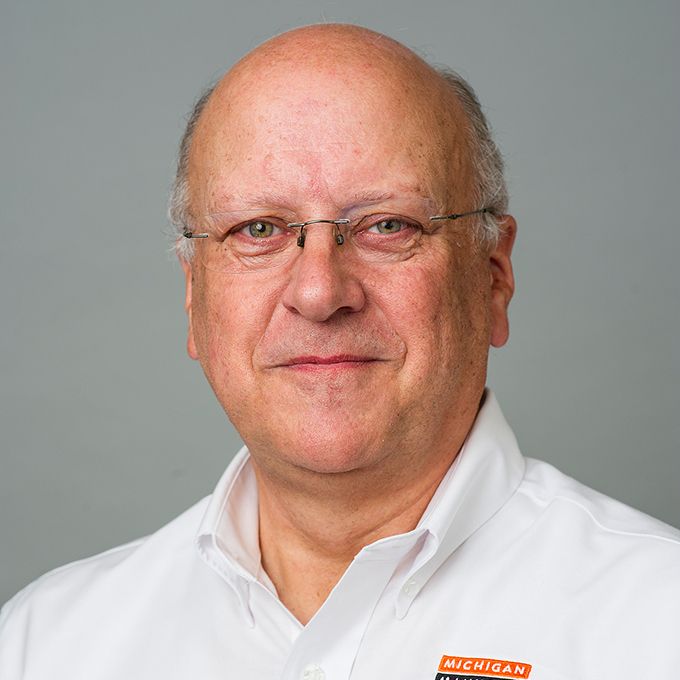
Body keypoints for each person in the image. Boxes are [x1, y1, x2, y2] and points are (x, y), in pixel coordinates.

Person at [1, 23, 678, 680]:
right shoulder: (46, 646)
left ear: (493, 277)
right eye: (258, 229)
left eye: (388, 225)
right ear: (193, 296)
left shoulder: (657, 623)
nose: (320, 292)